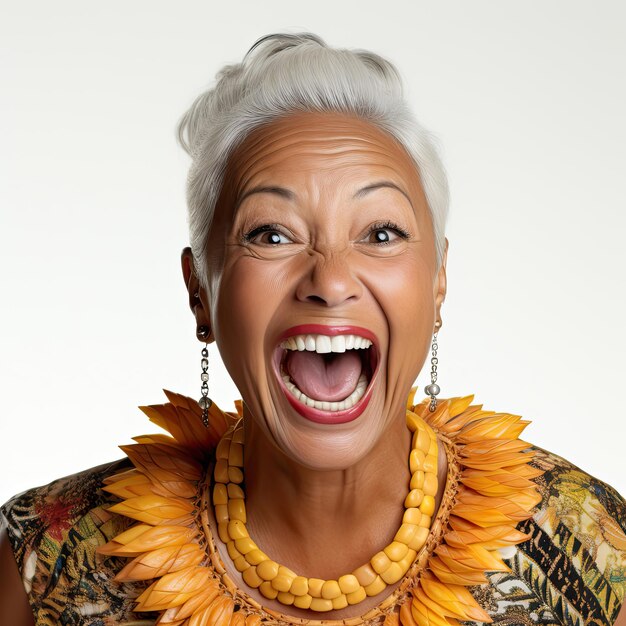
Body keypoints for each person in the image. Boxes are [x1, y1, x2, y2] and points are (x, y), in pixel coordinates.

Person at [1, 33, 625, 626]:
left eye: (380, 234)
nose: (329, 281)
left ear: (438, 282)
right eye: (272, 234)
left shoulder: (588, 550)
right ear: (201, 293)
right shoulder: (46, 562)